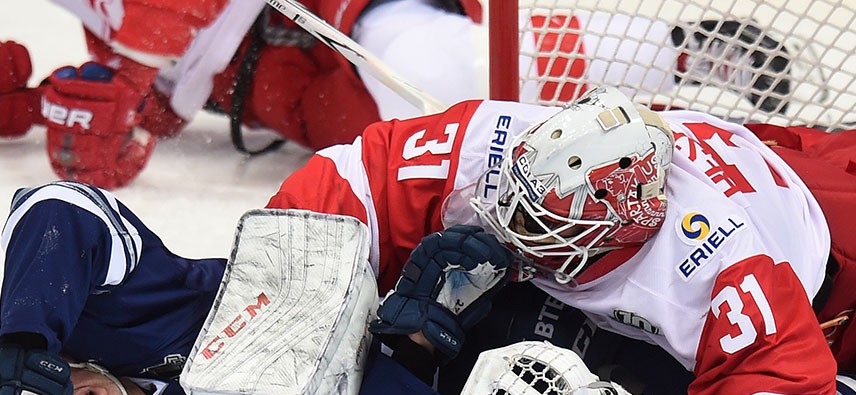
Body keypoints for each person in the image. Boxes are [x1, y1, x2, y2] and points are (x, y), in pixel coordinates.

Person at [264, 85, 856, 395]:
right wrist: (293, 307)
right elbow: (359, 171)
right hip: (804, 156)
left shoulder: (722, 268)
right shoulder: (532, 153)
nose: (508, 228)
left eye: (541, 226)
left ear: (620, 231)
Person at [0, 180, 515, 395]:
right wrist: (412, 349)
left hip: (389, 280)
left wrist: (21, 336)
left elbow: (57, 208)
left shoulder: (102, 316)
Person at [1, 0, 793, 188]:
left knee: (443, 68)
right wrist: (60, 108)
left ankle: (677, 61)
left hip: (342, 11)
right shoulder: (96, 21)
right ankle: (676, 122)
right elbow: (154, 98)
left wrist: (133, 77)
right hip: (277, 85)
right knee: (431, 142)